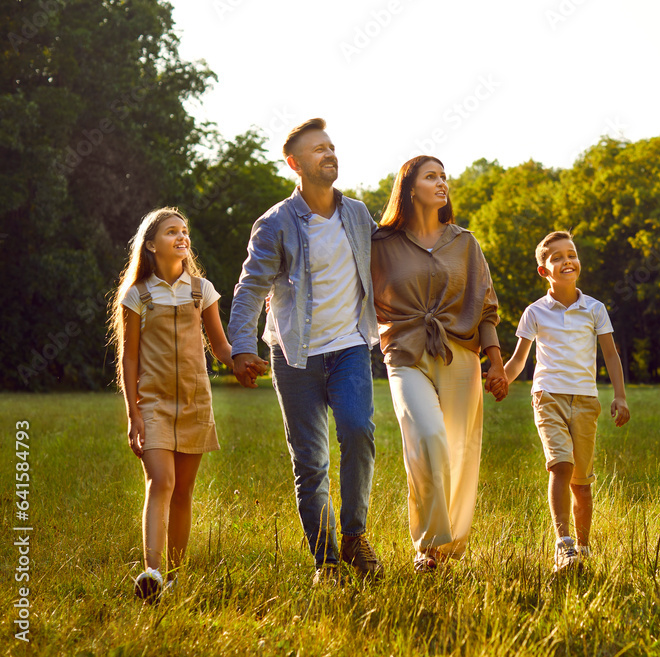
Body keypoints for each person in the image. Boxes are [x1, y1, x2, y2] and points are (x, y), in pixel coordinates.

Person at [228, 118, 383, 584]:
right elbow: (251, 287)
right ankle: (327, 561)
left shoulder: (357, 215)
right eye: (318, 149)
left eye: (332, 146)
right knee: (310, 462)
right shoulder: (275, 223)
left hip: (350, 346)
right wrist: (239, 347)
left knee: (358, 432)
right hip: (294, 356)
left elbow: (392, 263)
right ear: (295, 164)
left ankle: (354, 536)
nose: (329, 154)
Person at [371, 155, 507, 573]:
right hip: (405, 354)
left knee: (461, 452)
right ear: (410, 189)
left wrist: (496, 362)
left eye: (444, 176)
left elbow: (485, 306)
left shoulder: (464, 242)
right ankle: (429, 548)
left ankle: (451, 551)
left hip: (460, 354)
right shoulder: (380, 244)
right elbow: (349, 284)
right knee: (427, 438)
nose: (442, 182)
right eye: (432, 176)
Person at [111, 207, 243, 600]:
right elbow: (129, 358)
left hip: (195, 400)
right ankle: (151, 572)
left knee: (183, 489)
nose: (182, 237)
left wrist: (243, 362)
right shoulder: (137, 295)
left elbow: (220, 346)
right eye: (172, 232)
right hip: (151, 403)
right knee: (161, 482)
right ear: (151, 245)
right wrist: (133, 413)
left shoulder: (202, 290)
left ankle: (174, 577)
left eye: (184, 231)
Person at [503, 230, 631, 573]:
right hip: (548, 396)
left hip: (586, 400)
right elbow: (519, 360)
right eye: (556, 257)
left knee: (582, 482)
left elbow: (611, 355)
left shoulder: (595, 309)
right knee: (561, 464)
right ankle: (564, 544)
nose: (566, 261)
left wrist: (619, 396)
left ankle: (584, 549)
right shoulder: (534, 312)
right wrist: (500, 377)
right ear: (544, 270)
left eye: (571, 254)